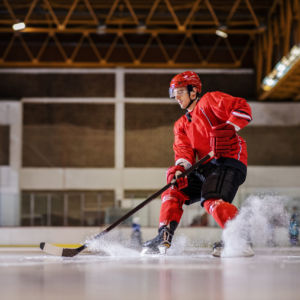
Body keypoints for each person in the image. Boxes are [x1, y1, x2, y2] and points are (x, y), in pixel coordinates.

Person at [142, 71, 253, 257]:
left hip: (227, 160)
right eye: (174, 93)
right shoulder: (181, 124)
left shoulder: (210, 100)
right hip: (204, 166)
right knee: (173, 190)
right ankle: (164, 234)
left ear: (193, 92)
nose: (176, 97)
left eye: (180, 92)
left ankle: (240, 239)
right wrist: (180, 170)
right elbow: (184, 152)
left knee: (211, 198)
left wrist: (229, 129)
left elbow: (242, 109)